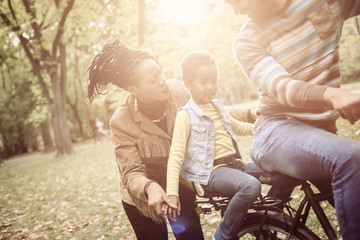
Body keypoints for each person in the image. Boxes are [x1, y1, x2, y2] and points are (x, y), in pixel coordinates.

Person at [225, 1, 360, 239]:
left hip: (321, 136)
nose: (235, 10)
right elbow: (282, 87)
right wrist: (331, 95)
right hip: (276, 131)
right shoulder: (247, 41)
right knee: (350, 159)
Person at [87, 39, 204, 240]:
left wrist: (247, 115)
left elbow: (206, 116)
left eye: (160, 72)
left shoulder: (176, 90)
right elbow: (131, 172)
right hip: (142, 199)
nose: (162, 81)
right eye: (153, 79)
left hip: (177, 183)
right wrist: (149, 187)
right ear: (133, 88)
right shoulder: (121, 121)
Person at [165, 51, 263, 240]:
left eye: (214, 81)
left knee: (278, 169)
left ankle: (270, 215)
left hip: (235, 166)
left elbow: (239, 127)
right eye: (204, 82)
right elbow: (175, 156)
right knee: (251, 186)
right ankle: (223, 234)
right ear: (188, 85)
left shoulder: (217, 106)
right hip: (212, 172)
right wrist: (171, 194)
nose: (210, 87)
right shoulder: (186, 115)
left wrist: (264, 127)